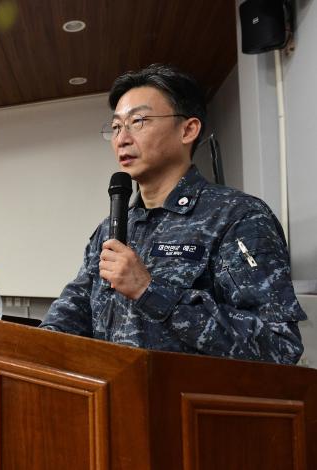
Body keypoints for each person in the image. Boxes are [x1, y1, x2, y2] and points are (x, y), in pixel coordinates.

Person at [40, 64, 306, 365]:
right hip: (109, 403)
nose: (122, 139)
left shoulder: (237, 217)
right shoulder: (110, 230)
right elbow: (75, 310)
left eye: (138, 121)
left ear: (188, 129)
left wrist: (150, 291)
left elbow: (278, 346)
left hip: (187, 408)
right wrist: (31, 347)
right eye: (115, 127)